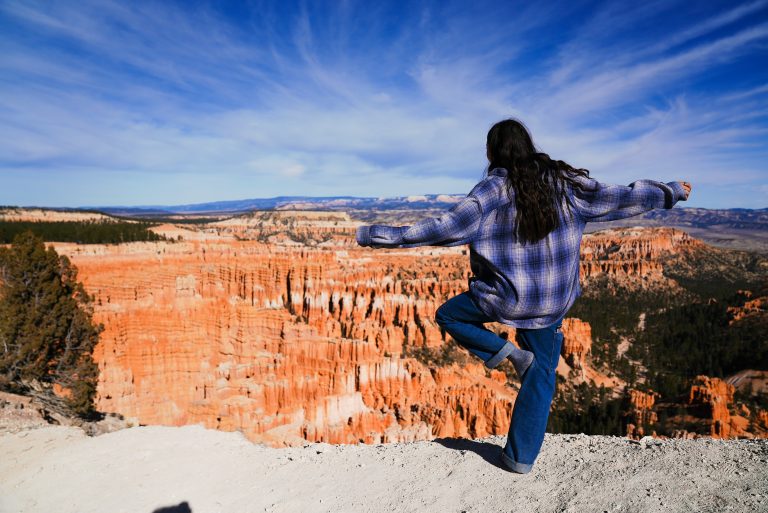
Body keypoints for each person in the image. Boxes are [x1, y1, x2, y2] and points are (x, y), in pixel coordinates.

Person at [355, 118, 691, 474]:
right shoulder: (565, 184)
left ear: (492, 152)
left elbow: (442, 228)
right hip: (551, 302)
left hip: (505, 298)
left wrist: (373, 234)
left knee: (449, 315)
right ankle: (519, 459)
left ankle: (508, 353)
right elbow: (620, 197)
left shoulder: (489, 191)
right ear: (529, 145)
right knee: (542, 374)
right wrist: (670, 191)